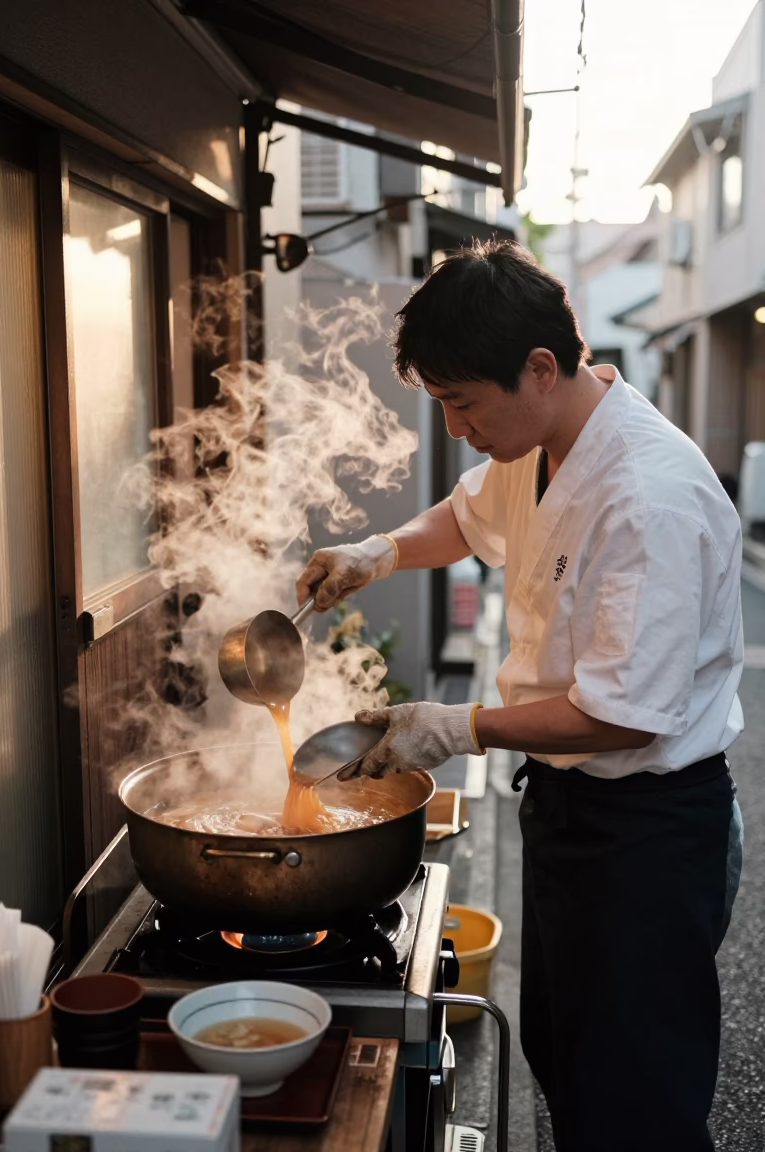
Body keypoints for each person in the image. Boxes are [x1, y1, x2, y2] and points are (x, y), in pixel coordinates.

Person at [296, 242, 744, 1152]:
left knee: (636, 1103)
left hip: (648, 834)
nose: (456, 426)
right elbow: (467, 519)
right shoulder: (540, 442)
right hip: (570, 811)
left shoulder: (646, 496)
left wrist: (454, 726)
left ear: (541, 367)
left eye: (463, 402)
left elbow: (620, 713)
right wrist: (379, 552)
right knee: (568, 1060)